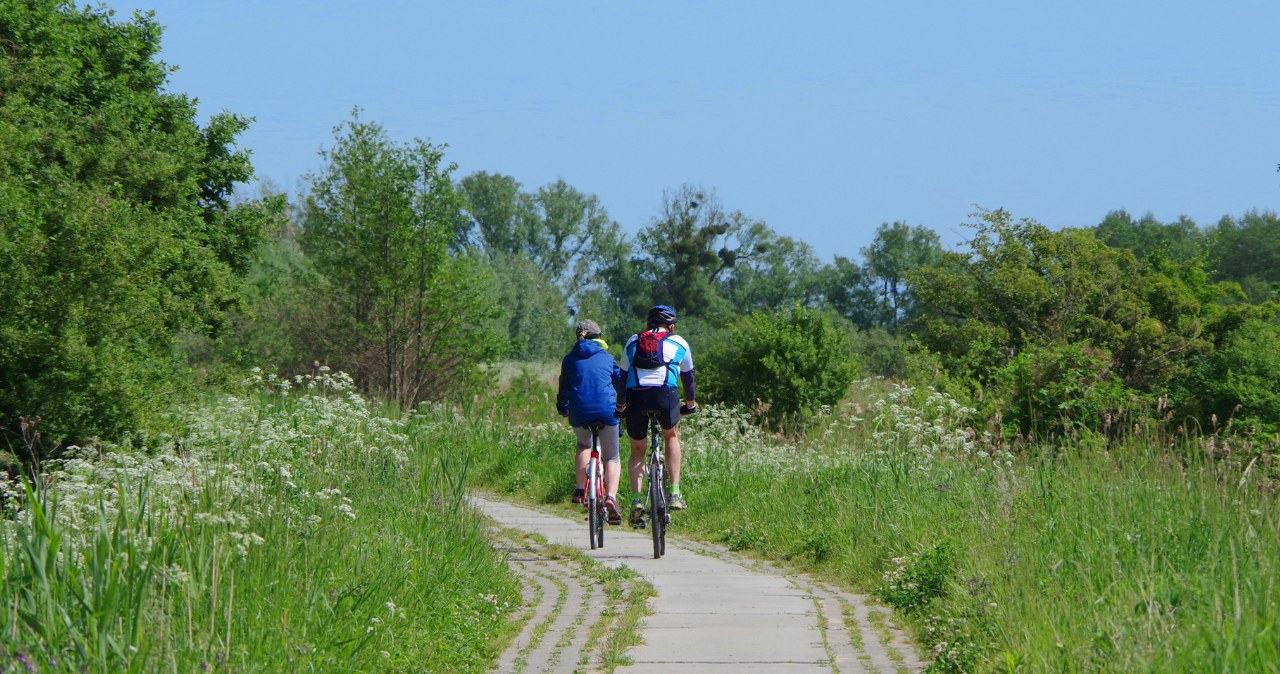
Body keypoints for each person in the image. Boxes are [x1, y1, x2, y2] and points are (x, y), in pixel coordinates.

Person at [618, 304, 697, 529]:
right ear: (671, 327)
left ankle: (635, 500)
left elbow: (622, 379)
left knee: (637, 450)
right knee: (671, 435)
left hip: (636, 396)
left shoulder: (632, 341)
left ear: (647, 325)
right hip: (665, 394)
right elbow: (688, 378)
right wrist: (690, 405)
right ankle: (674, 493)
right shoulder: (679, 342)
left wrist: (621, 406)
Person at [556, 319, 624, 525]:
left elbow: (563, 388)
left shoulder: (569, 359)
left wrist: (563, 408)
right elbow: (620, 383)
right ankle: (611, 497)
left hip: (580, 412)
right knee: (612, 456)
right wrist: (624, 406)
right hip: (607, 411)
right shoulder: (607, 357)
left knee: (584, 444)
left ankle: (579, 489)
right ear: (599, 337)